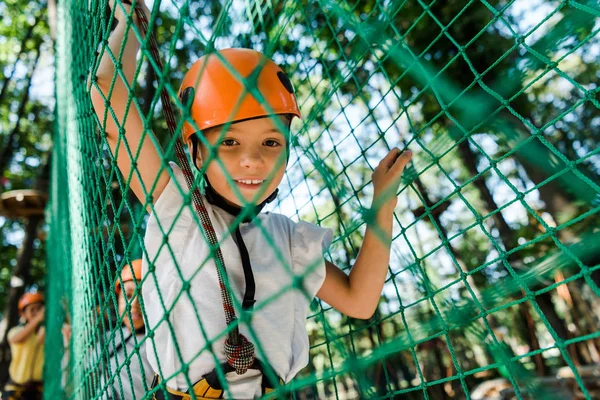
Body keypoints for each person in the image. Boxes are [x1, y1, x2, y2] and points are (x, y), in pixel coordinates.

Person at [90, 1, 412, 398]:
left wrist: (383, 207)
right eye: (228, 142)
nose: (252, 159)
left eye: (271, 141)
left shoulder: (288, 239)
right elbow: (107, 92)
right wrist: (131, 26)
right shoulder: (176, 204)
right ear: (194, 152)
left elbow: (359, 301)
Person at [100, 259, 154, 399]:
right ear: (118, 299)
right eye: (128, 295)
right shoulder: (108, 339)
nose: (134, 304)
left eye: (143, 296)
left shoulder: (158, 344)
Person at [3, 292, 45, 400]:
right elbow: (16, 339)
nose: (36, 312)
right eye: (32, 309)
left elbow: (41, 338)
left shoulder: (43, 332)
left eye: (39, 308)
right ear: (23, 314)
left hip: (37, 388)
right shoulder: (17, 331)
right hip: (16, 386)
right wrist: (38, 319)